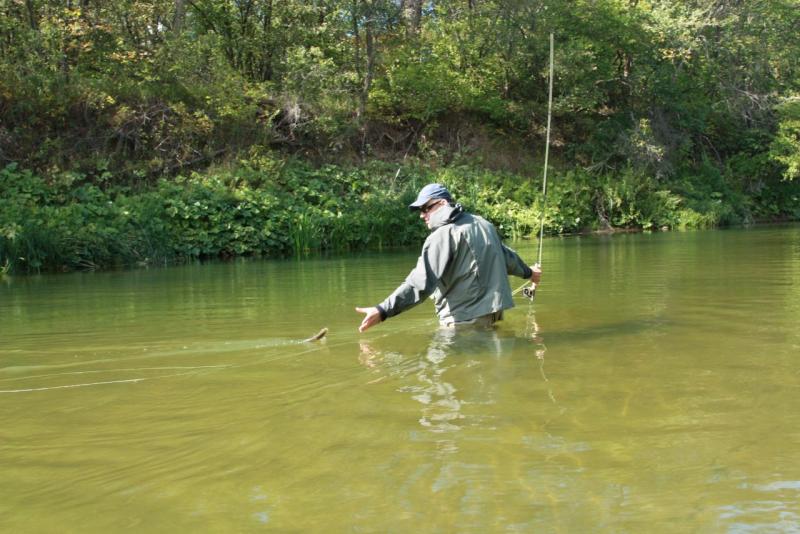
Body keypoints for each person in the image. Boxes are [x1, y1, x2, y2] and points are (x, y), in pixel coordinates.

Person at [355, 183, 542, 332]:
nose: (422, 215)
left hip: (462, 324)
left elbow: (420, 283)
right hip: (493, 317)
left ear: (443, 204)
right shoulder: (484, 224)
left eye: (426, 208)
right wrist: (529, 273)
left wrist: (382, 311)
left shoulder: (442, 235)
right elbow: (507, 258)